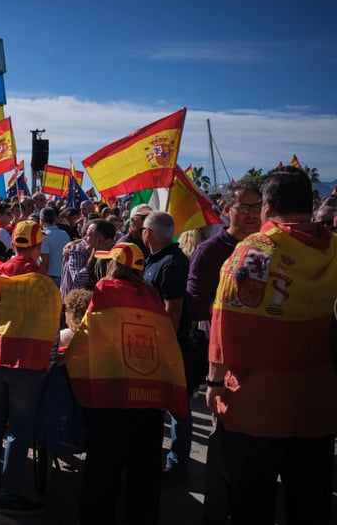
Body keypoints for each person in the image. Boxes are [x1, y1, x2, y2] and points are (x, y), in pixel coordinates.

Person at [207, 166, 337, 524]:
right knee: (311, 502)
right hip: (320, 403)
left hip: (256, 404)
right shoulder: (334, 249)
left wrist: (215, 381)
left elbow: (224, 322)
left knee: (251, 504)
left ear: (266, 206)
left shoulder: (254, 252)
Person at [65, 242, 187, 525]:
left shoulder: (105, 291)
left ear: (114, 266)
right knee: (144, 471)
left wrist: (68, 358)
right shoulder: (153, 296)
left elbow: (88, 334)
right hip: (149, 396)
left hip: (113, 395)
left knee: (103, 471)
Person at [187, 182, 261, 524]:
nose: (250, 214)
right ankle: (216, 512)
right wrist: (231, 311)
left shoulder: (268, 248)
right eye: (243, 207)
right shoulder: (210, 250)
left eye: (256, 207)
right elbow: (195, 303)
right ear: (226, 209)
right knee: (222, 441)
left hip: (262, 362)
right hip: (223, 358)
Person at [0, 221, 60, 515]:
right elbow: (54, 329)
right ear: (38, 248)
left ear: (13, 245)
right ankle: (9, 495)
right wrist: (50, 361)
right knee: (19, 430)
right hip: (28, 364)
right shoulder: (45, 284)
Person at [141, 210, 193, 485]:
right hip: (155, 345)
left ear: (149, 232)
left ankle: (177, 466)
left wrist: (165, 348)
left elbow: (173, 310)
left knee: (178, 408)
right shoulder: (157, 259)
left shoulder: (172, 262)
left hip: (169, 348)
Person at [39, 206, 71, 286]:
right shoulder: (65, 234)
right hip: (65, 278)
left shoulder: (43, 236)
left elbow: (44, 261)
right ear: (55, 219)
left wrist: (41, 279)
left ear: (41, 221)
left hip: (50, 279)